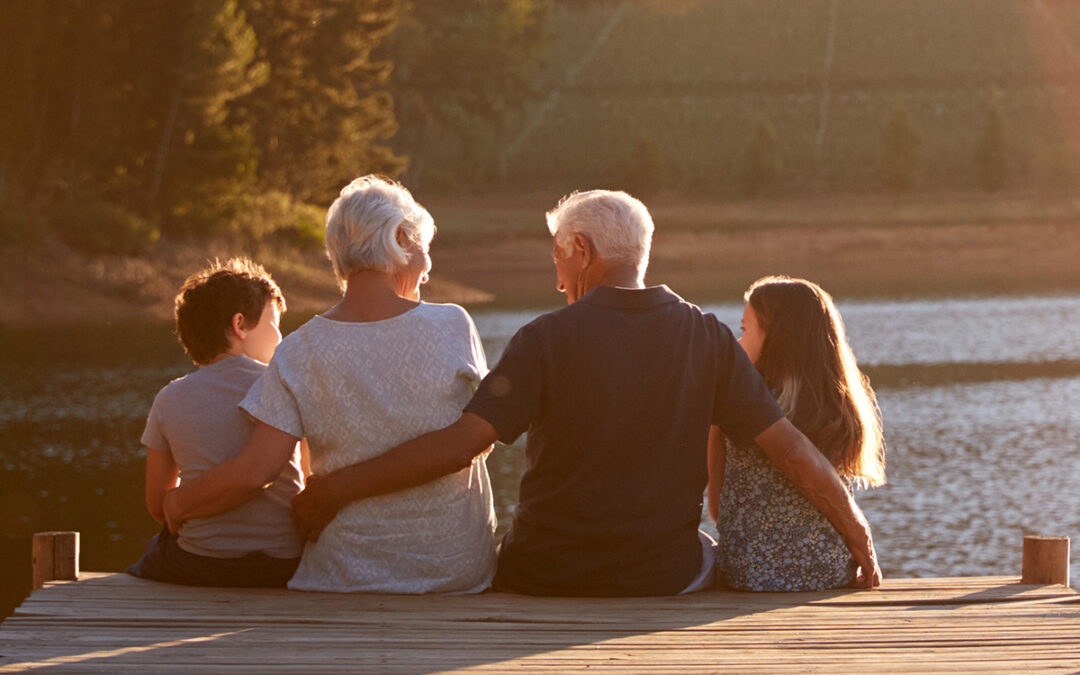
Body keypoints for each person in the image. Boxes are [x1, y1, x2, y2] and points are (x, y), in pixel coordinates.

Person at [290, 189, 882, 597]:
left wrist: (333, 490)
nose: (556, 279)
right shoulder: (706, 336)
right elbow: (795, 453)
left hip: (543, 575)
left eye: (558, 259)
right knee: (704, 549)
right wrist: (861, 541)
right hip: (663, 578)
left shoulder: (543, 338)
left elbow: (460, 446)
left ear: (583, 251)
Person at [162, 176, 497, 594]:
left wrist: (177, 502)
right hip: (454, 571)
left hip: (344, 574)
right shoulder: (452, 324)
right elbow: (479, 441)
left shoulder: (297, 349)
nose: (428, 270)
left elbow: (255, 471)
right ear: (399, 238)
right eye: (424, 248)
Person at [127, 257, 304, 587]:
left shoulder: (169, 399)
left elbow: (157, 505)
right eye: (275, 323)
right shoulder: (287, 387)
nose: (281, 336)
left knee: (153, 552)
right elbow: (305, 483)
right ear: (240, 325)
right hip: (283, 565)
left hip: (199, 563)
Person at [708, 276, 886, 591]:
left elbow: (717, 507)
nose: (737, 343)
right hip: (825, 570)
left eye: (745, 330)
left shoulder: (735, 403)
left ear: (777, 338)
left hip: (748, 575)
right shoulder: (836, 406)